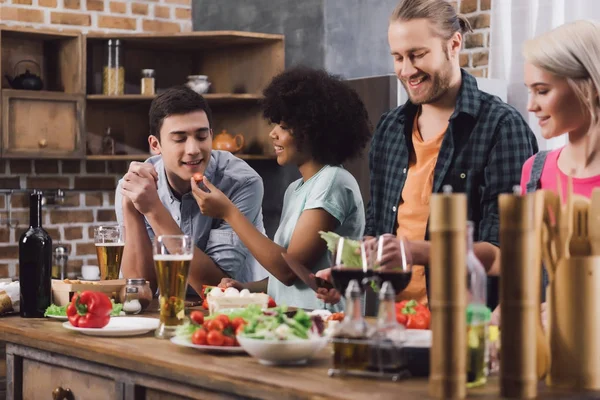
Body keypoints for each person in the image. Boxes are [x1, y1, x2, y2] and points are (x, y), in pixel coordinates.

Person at [317, 0, 538, 308]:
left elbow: (505, 253)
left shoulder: (502, 127)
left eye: (418, 55)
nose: (407, 70)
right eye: (398, 57)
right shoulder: (390, 127)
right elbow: (378, 229)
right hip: (393, 321)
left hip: (465, 326)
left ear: (454, 44)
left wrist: (413, 250)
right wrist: (353, 273)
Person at [191, 66, 372, 310]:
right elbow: (291, 280)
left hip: (325, 326)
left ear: (314, 131)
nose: (272, 135)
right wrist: (245, 288)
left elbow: (289, 270)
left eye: (284, 127)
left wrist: (228, 212)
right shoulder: (296, 189)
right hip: (295, 324)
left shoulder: (333, 181)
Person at [491, 19, 600, 327]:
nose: (530, 106)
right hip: (542, 360)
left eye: (542, 91)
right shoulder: (535, 171)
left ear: (590, 87)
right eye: (529, 91)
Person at [115, 86, 267, 295]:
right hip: (164, 315)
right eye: (179, 138)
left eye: (202, 136)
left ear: (211, 136)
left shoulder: (241, 183)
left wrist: (153, 210)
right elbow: (141, 290)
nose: (193, 149)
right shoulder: (136, 185)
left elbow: (216, 287)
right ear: (155, 144)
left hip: (231, 315)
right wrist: (130, 206)